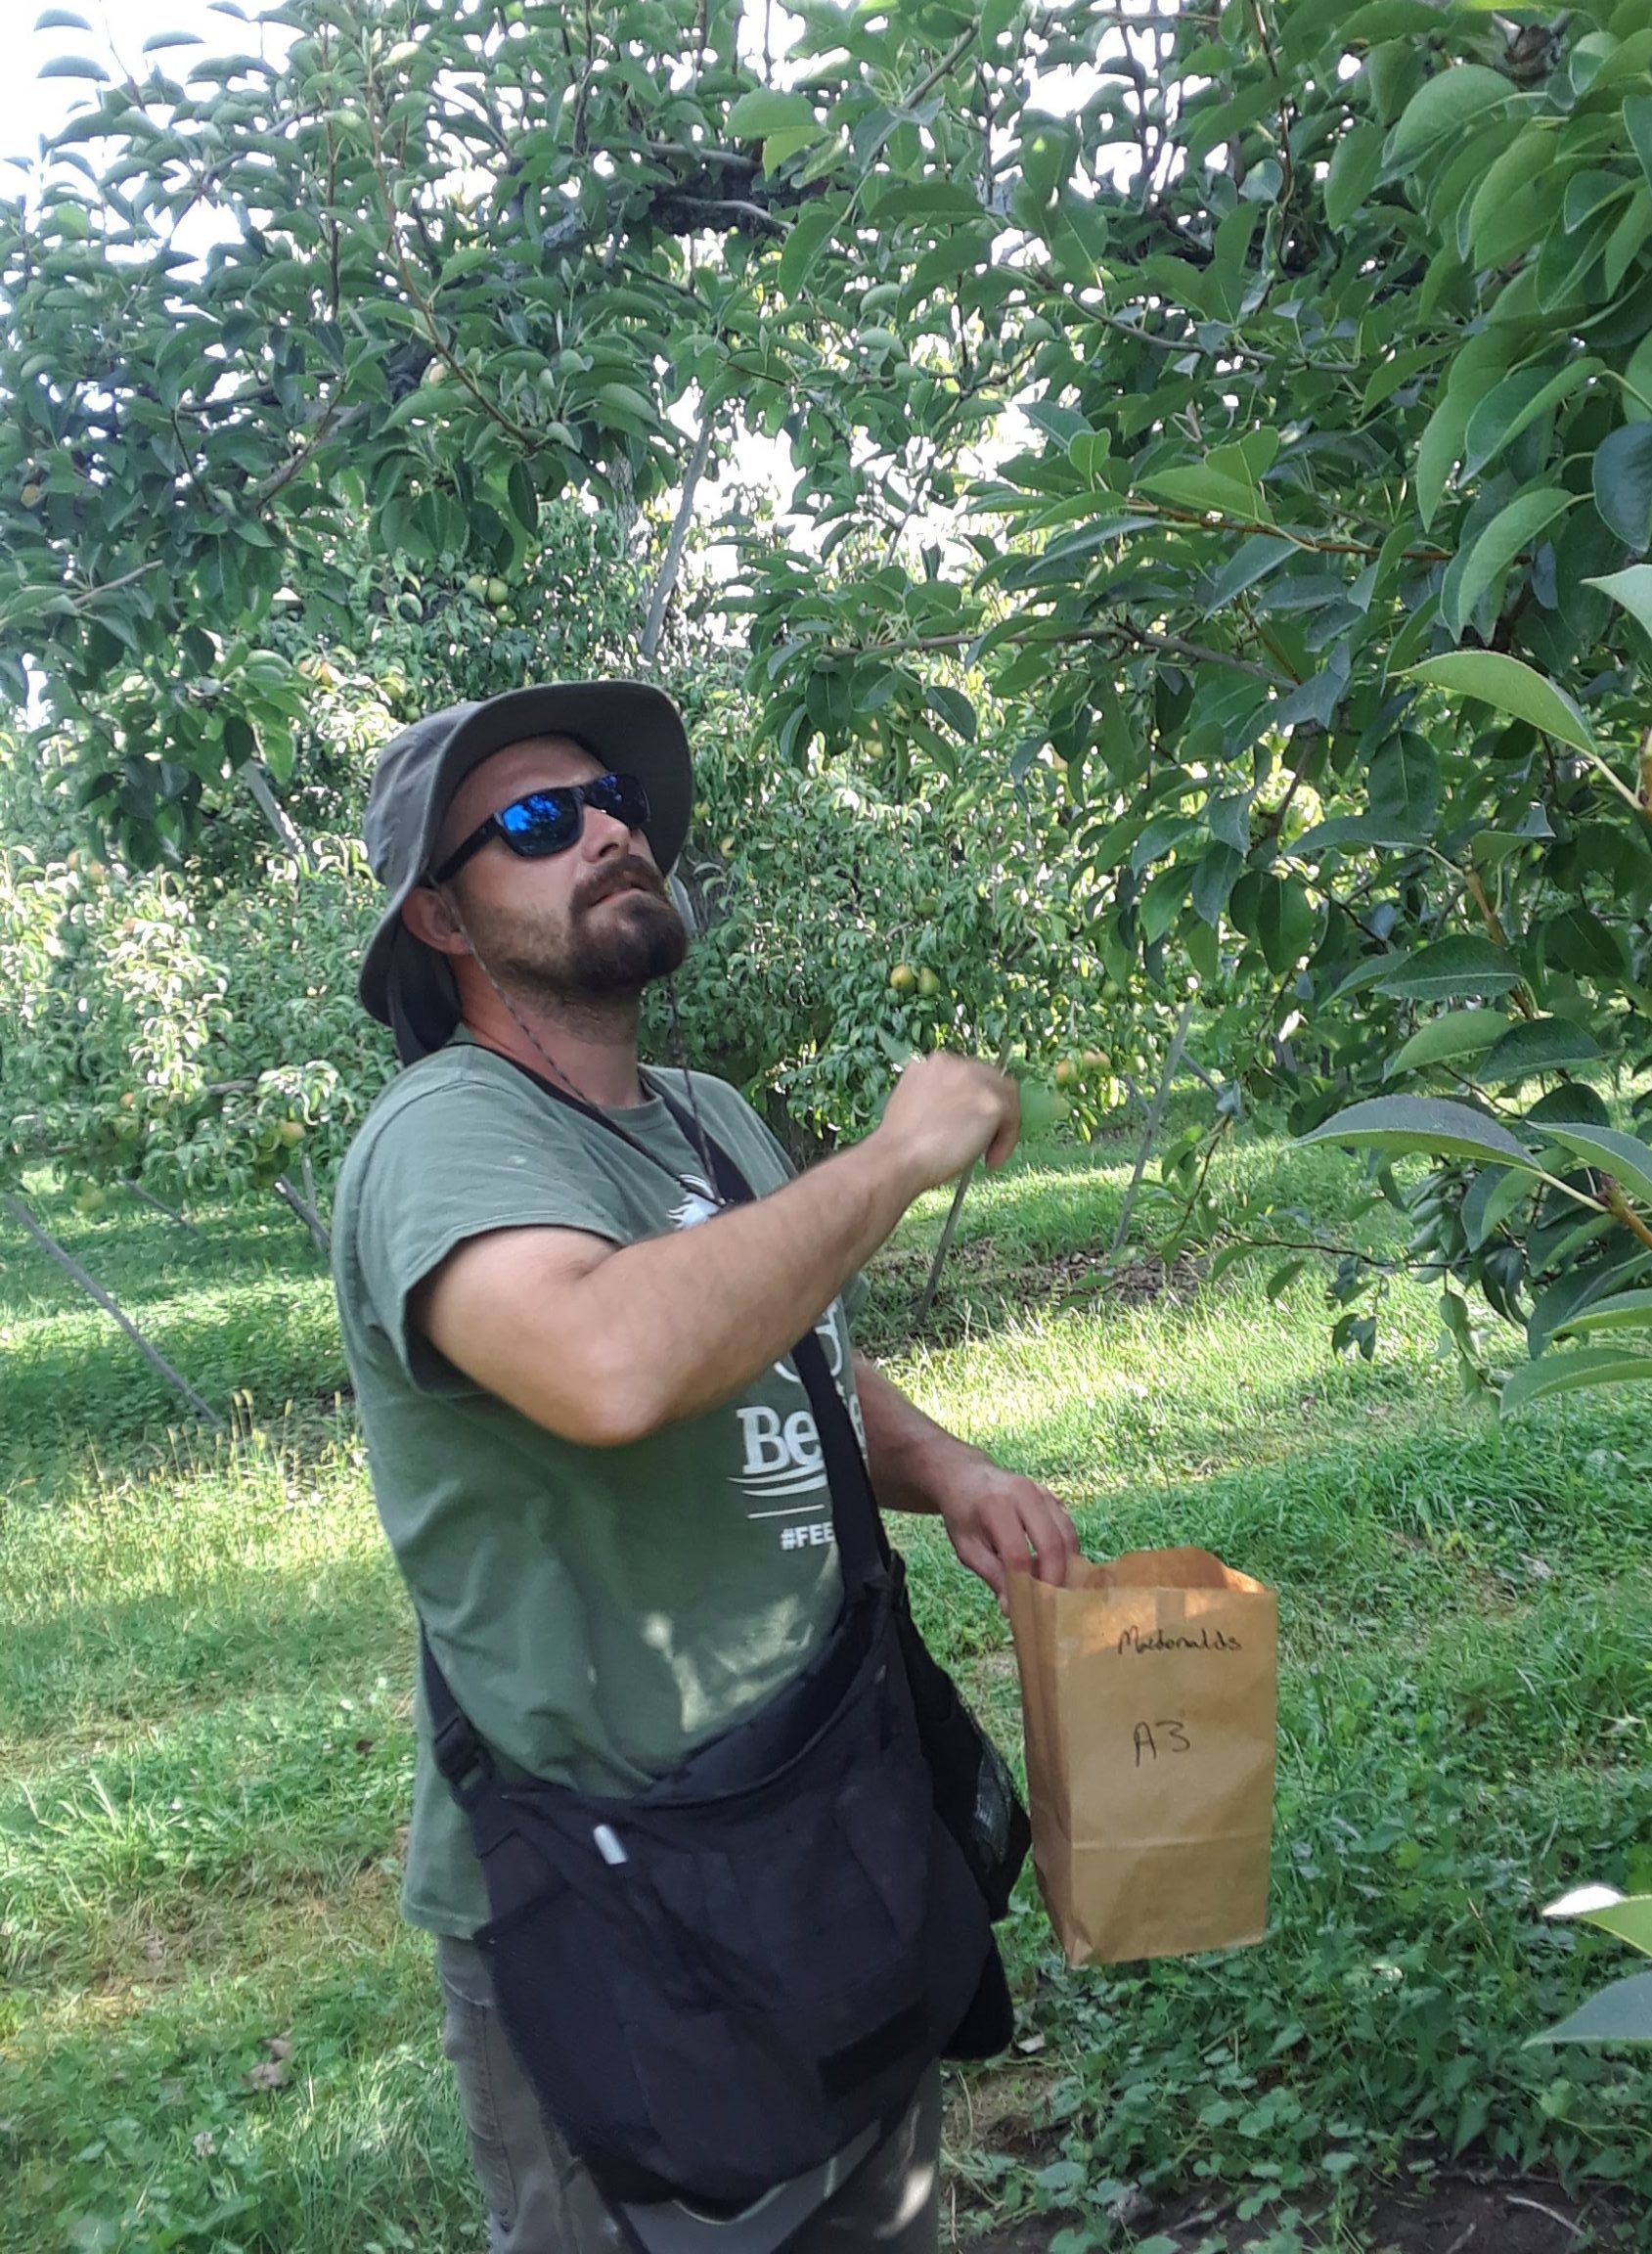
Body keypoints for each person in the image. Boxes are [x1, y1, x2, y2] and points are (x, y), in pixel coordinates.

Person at [331, 681, 1080, 2254]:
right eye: (538, 821)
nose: (607, 831)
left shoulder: (710, 1120)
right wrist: (890, 1158)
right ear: (441, 919)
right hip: (613, 1881)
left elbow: (778, 1337)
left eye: (613, 803)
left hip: (817, 1810)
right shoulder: (441, 1136)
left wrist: (947, 1468)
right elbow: (608, 1360)